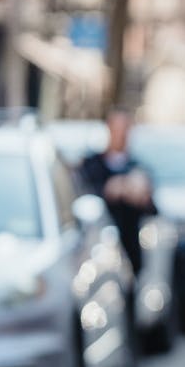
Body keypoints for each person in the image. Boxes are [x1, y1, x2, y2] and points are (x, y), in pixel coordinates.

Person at [79, 107, 156, 274]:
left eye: (124, 129)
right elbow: (85, 197)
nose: (120, 134)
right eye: (116, 128)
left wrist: (141, 194)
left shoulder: (138, 168)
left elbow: (153, 209)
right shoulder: (91, 165)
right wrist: (114, 188)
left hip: (130, 250)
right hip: (97, 251)